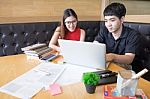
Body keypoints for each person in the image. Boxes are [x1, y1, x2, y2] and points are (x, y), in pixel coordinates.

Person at [94, 2, 140, 69]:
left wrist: (112, 57)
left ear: (122, 19)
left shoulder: (133, 35)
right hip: (108, 65)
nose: (108, 24)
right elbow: (96, 44)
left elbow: (129, 59)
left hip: (127, 68)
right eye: (106, 21)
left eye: (112, 20)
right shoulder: (104, 30)